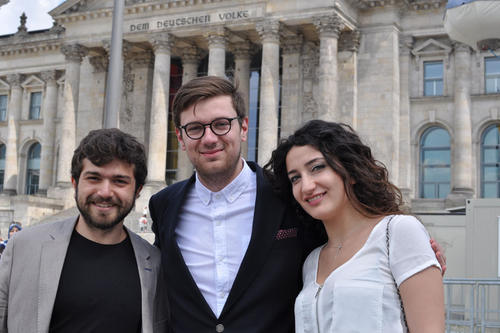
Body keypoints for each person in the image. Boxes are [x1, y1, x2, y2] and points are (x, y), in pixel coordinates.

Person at [149, 76, 446, 332]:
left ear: (243, 127)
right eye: (195, 129)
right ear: (180, 137)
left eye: (221, 124)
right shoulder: (164, 206)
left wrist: (413, 255)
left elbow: (360, 237)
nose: (209, 137)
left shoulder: (288, 198)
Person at [265, 120, 445, 332]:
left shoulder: (398, 232)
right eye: (295, 178)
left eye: (317, 167)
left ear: (349, 171)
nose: (306, 186)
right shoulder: (312, 261)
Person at [0, 128, 167, 333]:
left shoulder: (154, 263)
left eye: (119, 181)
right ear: (74, 183)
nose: (105, 192)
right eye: (94, 178)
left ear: (138, 190)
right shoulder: (23, 247)